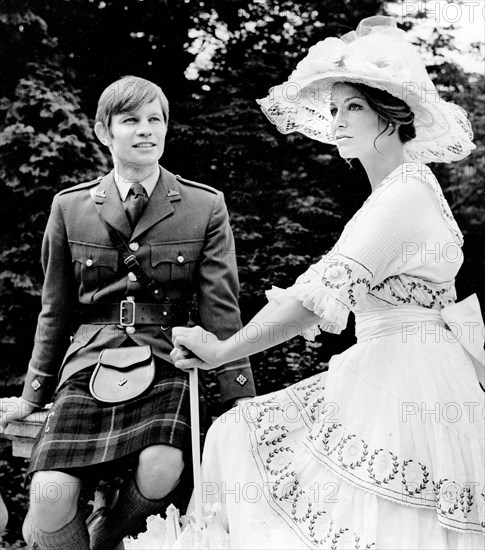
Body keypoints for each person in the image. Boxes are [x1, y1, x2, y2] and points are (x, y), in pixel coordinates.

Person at [171, 16, 484, 549]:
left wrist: (224, 350)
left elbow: (311, 301)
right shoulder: (400, 189)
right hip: (405, 366)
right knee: (239, 438)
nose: (337, 120)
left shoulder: (403, 194)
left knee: (245, 443)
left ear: (391, 117)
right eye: (334, 108)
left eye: (353, 107)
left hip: (407, 381)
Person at [0, 75, 255, 550]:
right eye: (131, 120)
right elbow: (55, 309)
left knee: (162, 467)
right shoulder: (69, 207)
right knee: (50, 494)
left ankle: (106, 536)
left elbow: (222, 306)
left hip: (167, 358)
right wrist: (33, 392)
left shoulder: (204, 205)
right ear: (103, 131)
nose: (146, 130)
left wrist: (239, 392)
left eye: (155, 119)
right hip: (89, 362)